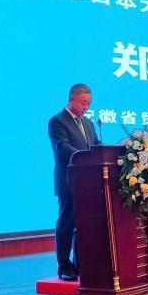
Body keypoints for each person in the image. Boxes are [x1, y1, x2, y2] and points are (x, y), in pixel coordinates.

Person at [48, 83, 101, 281]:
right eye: (82, 103)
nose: (86, 107)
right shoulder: (57, 121)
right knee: (67, 222)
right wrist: (85, 157)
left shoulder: (88, 123)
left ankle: (80, 262)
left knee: (85, 223)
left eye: (88, 104)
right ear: (71, 99)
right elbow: (62, 147)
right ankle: (63, 265)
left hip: (88, 183)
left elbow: (96, 146)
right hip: (68, 181)